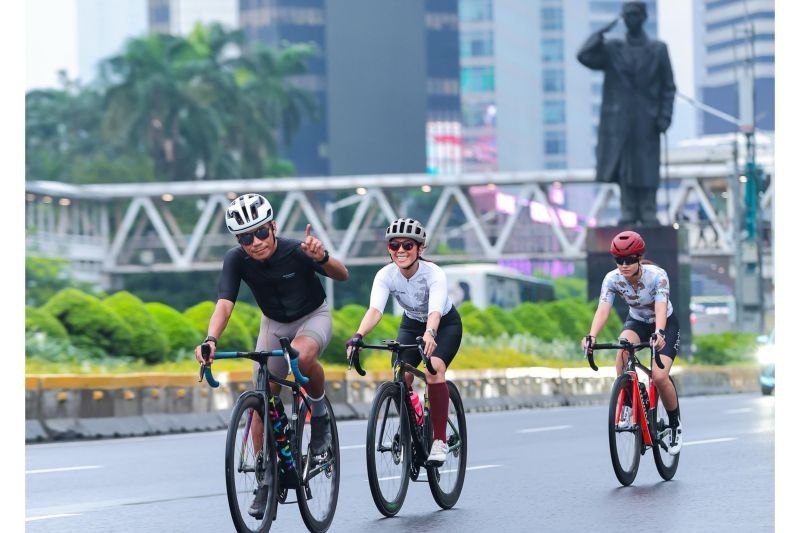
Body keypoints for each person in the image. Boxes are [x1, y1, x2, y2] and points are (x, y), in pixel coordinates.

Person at [194, 193, 349, 517]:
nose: (256, 242)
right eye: (246, 237)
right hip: (274, 324)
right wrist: (210, 339)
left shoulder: (296, 250)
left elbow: (341, 274)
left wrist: (321, 258)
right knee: (260, 398)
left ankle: (318, 414)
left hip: (312, 317)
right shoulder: (236, 259)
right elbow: (225, 303)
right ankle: (266, 477)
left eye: (261, 232)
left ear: (273, 227)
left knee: (304, 357)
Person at [345, 218, 462, 464]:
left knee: (434, 370)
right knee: (401, 374)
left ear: (420, 249)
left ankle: (439, 440)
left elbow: (435, 311)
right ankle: (415, 421)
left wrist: (431, 333)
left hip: (444, 324)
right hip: (411, 324)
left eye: (408, 245)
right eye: (394, 245)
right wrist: (358, 336)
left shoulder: (434, 273)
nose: (400, 250)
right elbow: (375, 310)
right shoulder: (385, 275)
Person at [582, 230, 682, 455]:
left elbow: (660, 306)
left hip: (664, 322)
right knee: (623, 352)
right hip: (636, 322)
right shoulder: (612, 279)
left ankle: (675, 425)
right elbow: (603, 309)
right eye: (619, 260)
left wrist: (659, 332)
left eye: (629, 260)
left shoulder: (658, 276)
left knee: (659, 376)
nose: (624, 265)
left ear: (639, 259)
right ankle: (627, 407)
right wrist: (592, 335)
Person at [577, 1, 676, 226]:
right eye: (627, 15)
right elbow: (583, 55)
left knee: (647, 165)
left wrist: (665, 116)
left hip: (648, 119)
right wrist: (603, 31)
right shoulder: (613, 49)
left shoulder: (658, 49)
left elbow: (669, 87)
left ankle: (649, 208)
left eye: (634, 14)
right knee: (624, 167)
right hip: (620, 120)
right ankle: (628, 209)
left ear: (643, 17)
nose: (631, 19)